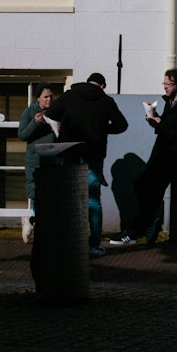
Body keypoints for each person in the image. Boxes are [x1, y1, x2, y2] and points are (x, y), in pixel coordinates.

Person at [108, 69, 177, 247]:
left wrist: (159, 122)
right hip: (162, 156)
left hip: (171, 159)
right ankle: (148, 224)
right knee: (142, 186)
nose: (165, 88)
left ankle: (134, 232)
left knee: (150, 192)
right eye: (164, 84)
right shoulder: (170, 103)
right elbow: (168, 130)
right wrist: (154, 118)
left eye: (168, 85)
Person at [44, 71, 128, 257]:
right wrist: (102, 128)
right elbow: (122, 125)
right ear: (102, 86)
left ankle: (69, 244)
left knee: (69, 200)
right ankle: (94, 245)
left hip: (69, 153)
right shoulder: (105, 101)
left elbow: (50, 113)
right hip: (94, 155)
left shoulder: (69, 95)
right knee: (92, 200)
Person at [17, 83, 56, 243]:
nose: (49, 99)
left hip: (52, 160)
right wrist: (35, 122)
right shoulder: (29, 111)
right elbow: (22, 135)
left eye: (51, 96)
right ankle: (40, 230)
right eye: (46, 96)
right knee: (37, 196)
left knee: (51, 198)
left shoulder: (55, 112)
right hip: (36, 160)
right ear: (38, 97)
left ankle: (33, 221)